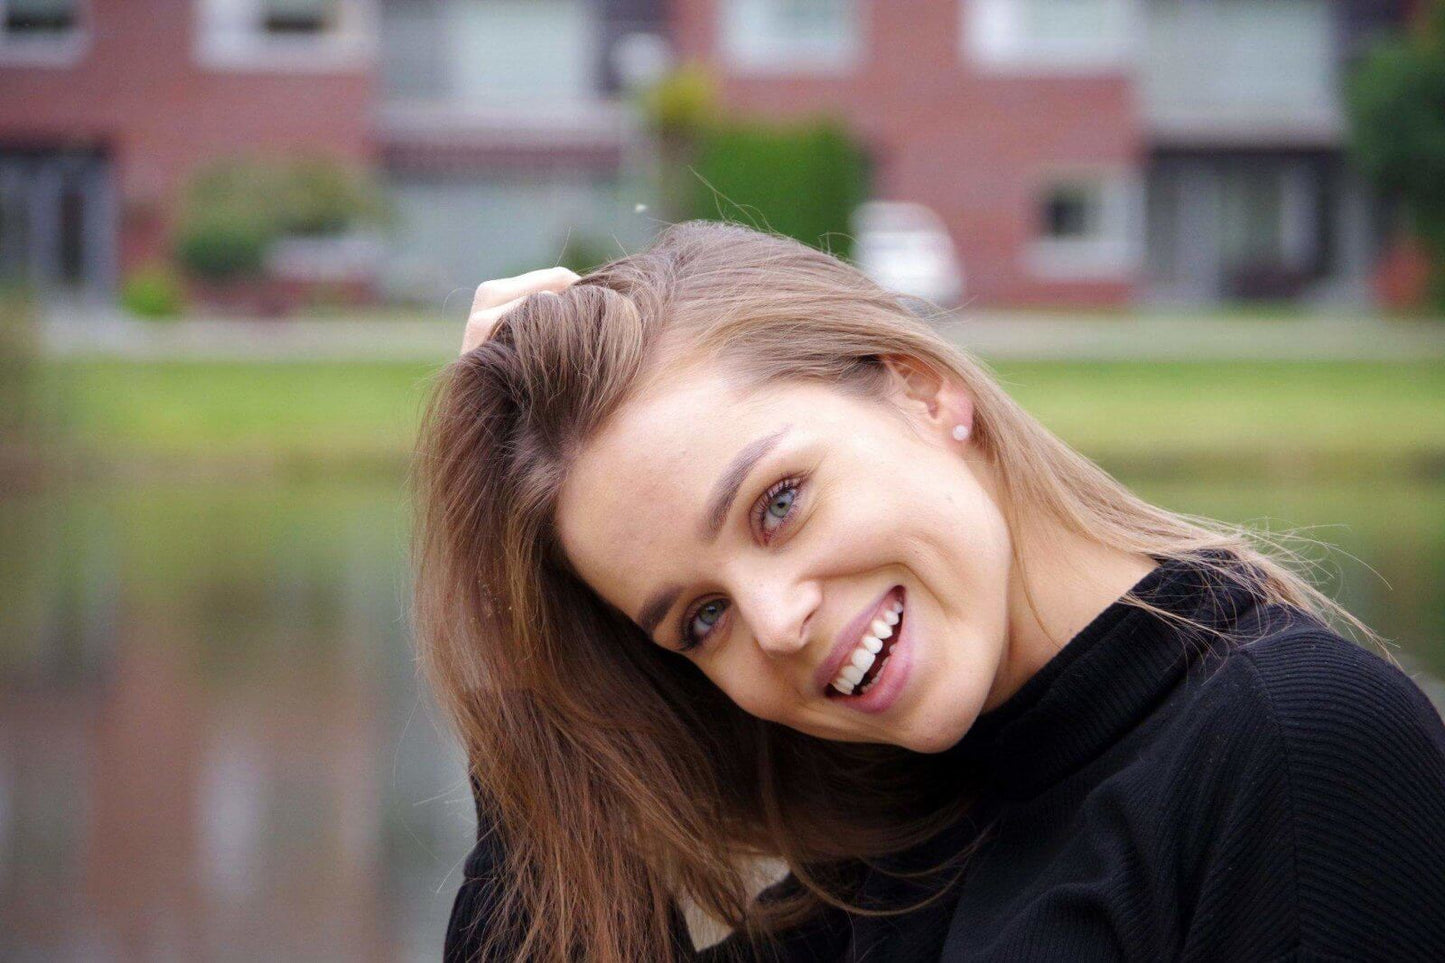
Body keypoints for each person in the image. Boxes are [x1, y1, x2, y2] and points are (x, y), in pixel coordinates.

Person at [412, 221, 1445, 962]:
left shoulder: (1300, 745)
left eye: (777, 504)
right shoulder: (888, 866)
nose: (775, 622)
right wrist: (519, 640)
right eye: (702, 617)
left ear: (919, 389)